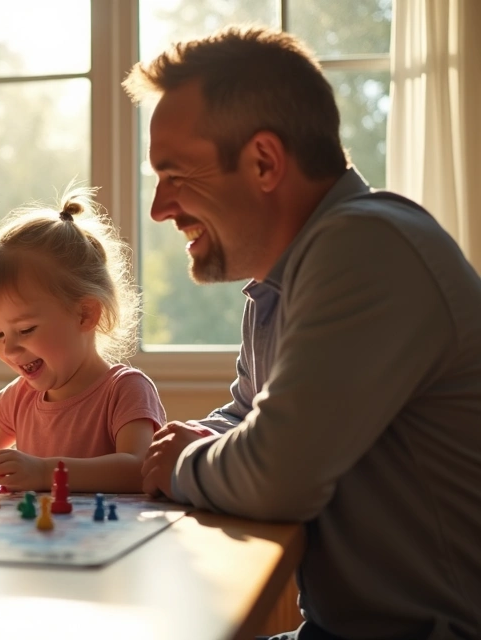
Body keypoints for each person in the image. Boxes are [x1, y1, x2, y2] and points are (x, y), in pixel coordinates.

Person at [124, 26, 481, 639]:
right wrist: (174, 449)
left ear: (264, 161)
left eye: (175, 175)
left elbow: (275, 473)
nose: (159, 208)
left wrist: (181, 458)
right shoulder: (279, 281)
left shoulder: (366, 246)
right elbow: (244, 419)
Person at [0, 187, 165, 493]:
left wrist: (45, 472)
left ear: (85, 315)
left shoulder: (126, 390)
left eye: (25, 330)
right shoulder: (19, 397)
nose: (9, 349)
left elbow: (140, 469)